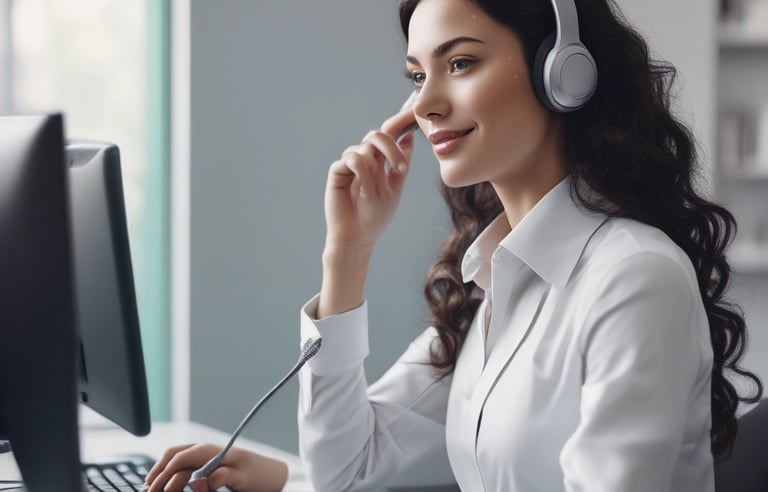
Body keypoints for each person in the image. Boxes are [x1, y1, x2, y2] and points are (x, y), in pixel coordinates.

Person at [143, 0, 764, 490]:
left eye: (460, 63)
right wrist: (348, 253)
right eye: (417, 75)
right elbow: (347, 468)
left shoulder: (632, 275)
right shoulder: (493, 277)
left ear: (563, 74)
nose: (426, 104)